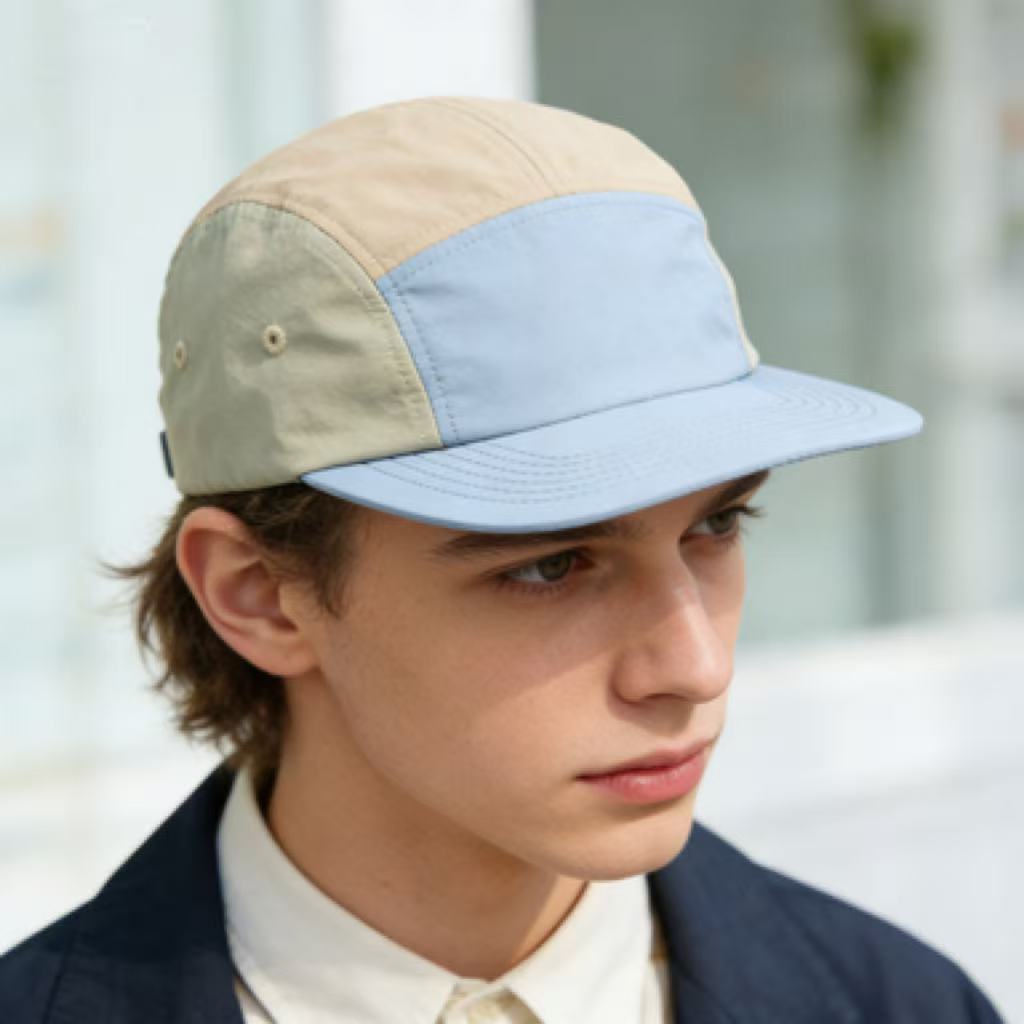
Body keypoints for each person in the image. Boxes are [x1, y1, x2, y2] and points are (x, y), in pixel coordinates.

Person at [0, 97, 1005, 1023]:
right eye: (552, 566)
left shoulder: (906, 1005)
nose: (694, 666)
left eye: (717, 524)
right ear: (259, 594)